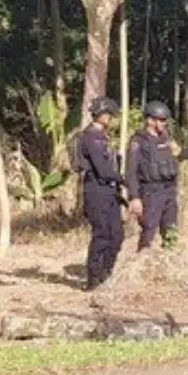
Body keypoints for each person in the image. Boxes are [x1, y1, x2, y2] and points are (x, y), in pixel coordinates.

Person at [124, 101, 188, 252]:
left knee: (170, 227)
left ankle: (169, 256)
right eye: (161, 120)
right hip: (150, 191)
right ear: (150, 120)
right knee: (149, 229)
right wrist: (134, 197)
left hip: (169, 190)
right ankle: (142, 260)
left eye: (165, 120)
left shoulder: (166, 139)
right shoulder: (138, 142)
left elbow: (181, 155)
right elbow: (130, 171)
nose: (164, 123)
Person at [72, 96, 124, 291]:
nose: (110, 118)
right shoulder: (91, 137)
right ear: (100, 115)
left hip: (110, 192)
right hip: (96, 191)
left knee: (117, 235)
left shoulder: (103, 136)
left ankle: (106, 273)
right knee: (102, 234)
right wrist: (122, 178)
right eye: (108, 115)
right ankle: (93, 278)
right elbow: (102, 170)